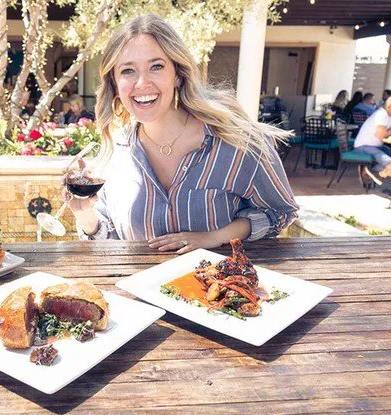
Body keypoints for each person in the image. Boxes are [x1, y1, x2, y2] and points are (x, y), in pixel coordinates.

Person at [65, 14, 298, 252]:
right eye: (127, 71)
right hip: (134, 286)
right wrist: (85, 216)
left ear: (177, 74)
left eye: (156, 66)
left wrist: (214, 237)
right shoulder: (114, 153)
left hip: (215, 287)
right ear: (114, 82)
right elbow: (108, 241)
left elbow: (280, 213)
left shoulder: (238, 142)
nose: (141, 82)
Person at [353, 95, 391, 185]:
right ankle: (375, 173)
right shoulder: (381, 114)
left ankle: (370, 171)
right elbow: (382, 136)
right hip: (363, 146)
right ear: (388, 107)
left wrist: (387, 132)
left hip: (377, 146)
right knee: (389, 162)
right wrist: (389, 131)